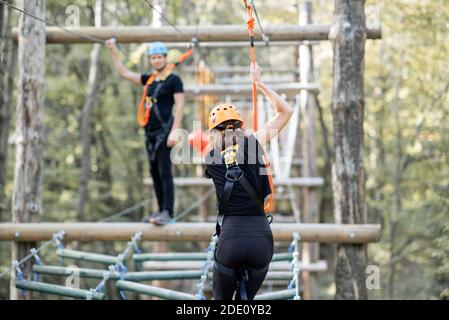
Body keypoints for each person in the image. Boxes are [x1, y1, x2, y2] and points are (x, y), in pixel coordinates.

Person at [205, 63, 293, 300]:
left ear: (214, 132)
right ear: (240, 127)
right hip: (261, 240)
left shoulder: (210, 157)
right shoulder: (253, 144)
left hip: (230, 240)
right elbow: (285, 112)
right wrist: (259, 83)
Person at [105, 39, 185, 225]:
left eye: (159, 57)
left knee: (165, 171)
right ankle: (159, 210)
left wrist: (175, 131)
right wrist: (113, 50)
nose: (156, 61)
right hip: (150, 132)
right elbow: (124, 73)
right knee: (154, 172)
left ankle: (168, 211)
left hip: (165, 131)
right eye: (153, 58)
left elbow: (180, 105)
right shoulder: (149, 80)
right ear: (150, 60)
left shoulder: (174, 80)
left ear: (165, 59)